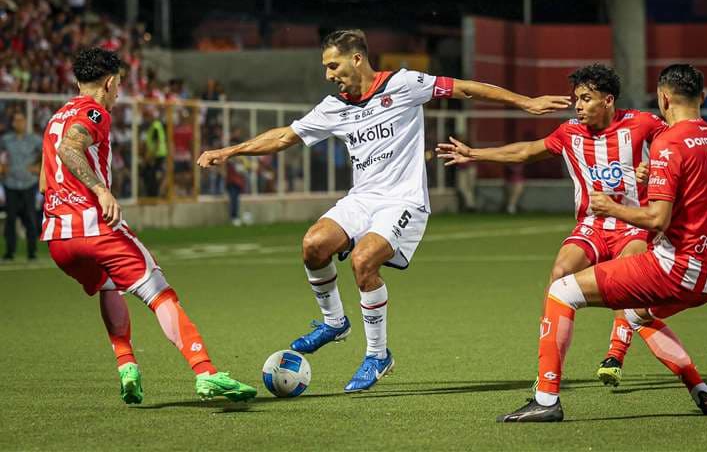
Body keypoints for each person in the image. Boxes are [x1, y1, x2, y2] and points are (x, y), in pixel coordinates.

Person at [197, 29, 570, 392]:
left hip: (404, 201)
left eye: (333, 65)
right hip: (363, 199)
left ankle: (377, 355)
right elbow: (283, 137)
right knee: (313, 244)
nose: (328, 75)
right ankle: (334, 322)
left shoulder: (404, 84)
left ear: (357, 59)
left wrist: (526, 102)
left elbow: (466, 87)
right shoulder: (334, 107)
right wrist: (229, 152)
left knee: (363, 261)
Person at [495, 64, 707, 422]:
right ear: (703, 97)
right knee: (636, 314)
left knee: (560, 292)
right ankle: (702, 392)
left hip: (675, 267)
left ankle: (545, 400)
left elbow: (656, 220)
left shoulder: (667, 141)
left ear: (664, 98)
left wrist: (610, 205)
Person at [41, 47, 255, 404]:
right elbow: (70, 147)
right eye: (119, 84)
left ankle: (127, 365)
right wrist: (99, 190)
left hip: (59, 239)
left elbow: (45, 181)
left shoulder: (54, 118)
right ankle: (205, 372)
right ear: (109, 82)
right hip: (96, 229)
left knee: (110, 285)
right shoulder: (93, 112)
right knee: (159, 291)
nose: (119, 92)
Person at [437, 64, 673, 386]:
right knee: (559, 275)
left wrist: (659, 162)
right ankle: (548, 371)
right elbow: (525, 152)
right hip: (591, 225)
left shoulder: (641, 123)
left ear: (607, 100)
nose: (578, 105)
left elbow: (677, 141)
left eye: (586, 98)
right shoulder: (569, 132)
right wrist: (474, 154)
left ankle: (615, 354)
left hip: (632, 223)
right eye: (576, 98)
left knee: (628, 276)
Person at [0, 110, 42, 261]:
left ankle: (32, 251)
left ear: (25, 122)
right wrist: (2, 166)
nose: (19, 123)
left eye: (21, 120)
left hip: (28, 183)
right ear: (12, 123)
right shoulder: (6, 139)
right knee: (10, 219)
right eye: (16, 120)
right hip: (10, 184)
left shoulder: (34, 140)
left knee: (30, 218)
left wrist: (39, 166)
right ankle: (9, 252)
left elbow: (47, 152)